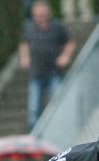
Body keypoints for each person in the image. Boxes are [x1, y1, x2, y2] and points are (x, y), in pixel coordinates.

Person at [21, 1, 76, 130]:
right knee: (34, 109)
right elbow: (24, 43)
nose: (40, 17)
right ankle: (35, 135)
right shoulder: (29, 27)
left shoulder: (57, 27)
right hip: (36, 73)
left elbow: (70, 42)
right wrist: (25, 57)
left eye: (42, 14)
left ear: (48, 13)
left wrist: (66, 56)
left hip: (55, 73)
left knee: (56, 105)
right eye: (38, 15)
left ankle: (57, 130)